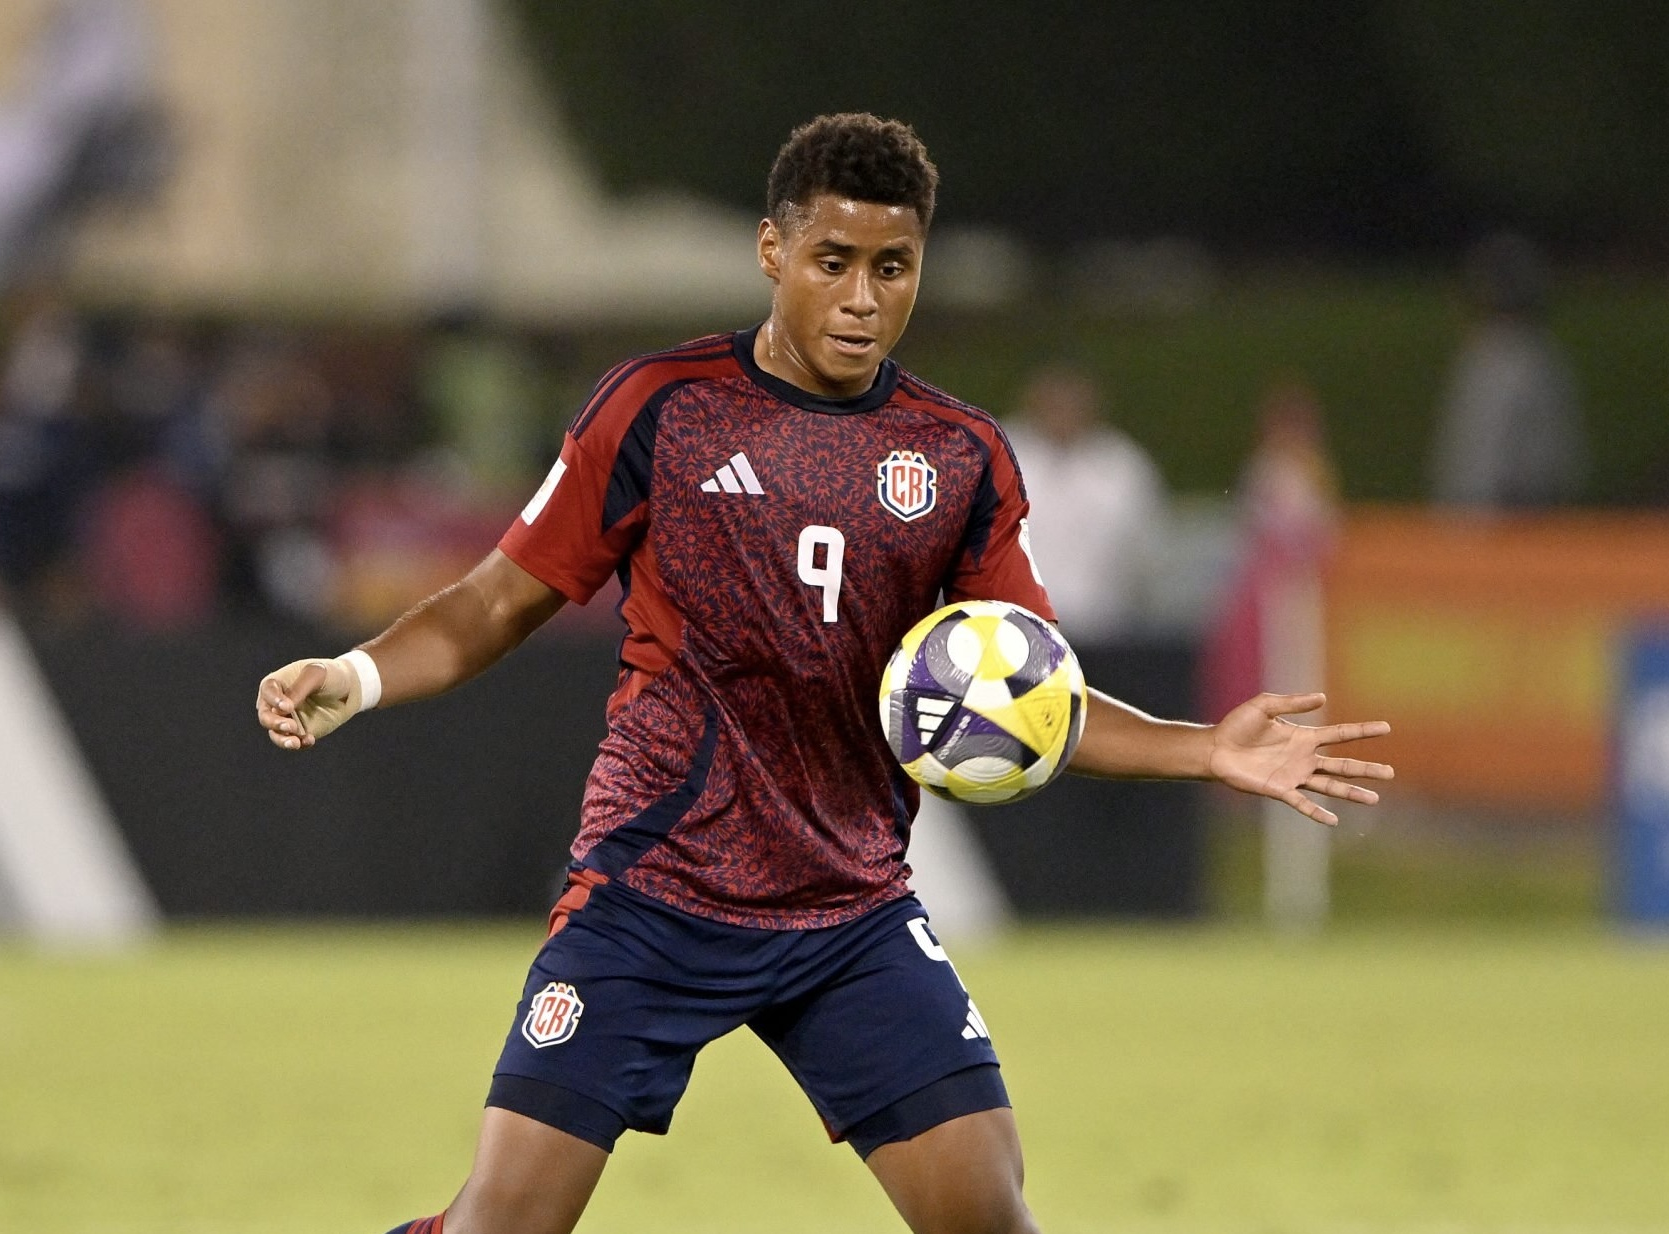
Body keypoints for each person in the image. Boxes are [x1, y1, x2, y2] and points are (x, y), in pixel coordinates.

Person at [255, 114, 1393, 1234]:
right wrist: (354, 675)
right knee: (504, 1223)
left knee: (987, 1215)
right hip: (654, 893)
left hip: (849, 908)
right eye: (832, 261)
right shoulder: (660, 408)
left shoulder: (956, 455)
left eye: (891, 268)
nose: (861, 298)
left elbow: (1031, 700)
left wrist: (1205, 748)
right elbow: (494, 603)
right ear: (773, 250)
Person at [1003, 366, 1166, 644]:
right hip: (1011, 632)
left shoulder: (1122, 465)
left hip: (1105, 632)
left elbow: (1147, 555)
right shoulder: (997, 454)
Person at [1430, 232, 1586, 511]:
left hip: (1507, 511)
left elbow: (1486, 461)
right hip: (1508, 507)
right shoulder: (1534, 353)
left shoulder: (1502, 357)